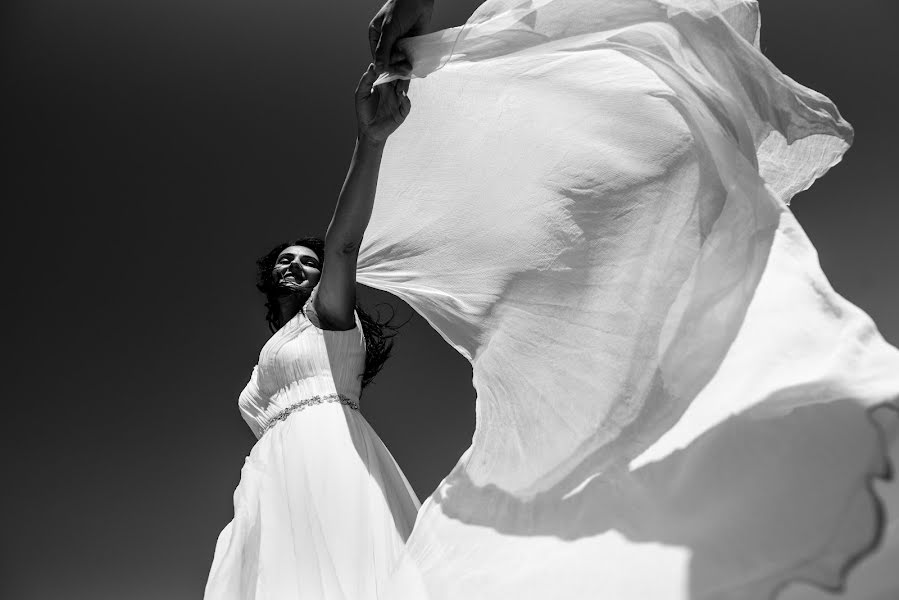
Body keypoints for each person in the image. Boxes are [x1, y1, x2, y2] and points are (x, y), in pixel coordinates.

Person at [203, 65, 420, 600]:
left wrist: (369, 142)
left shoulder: (327, 316)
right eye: (285, 259)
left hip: (327, 452)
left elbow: (343, 243)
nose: (295, 265)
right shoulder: (268, 356)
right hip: (270, 478)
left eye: (307, 261)